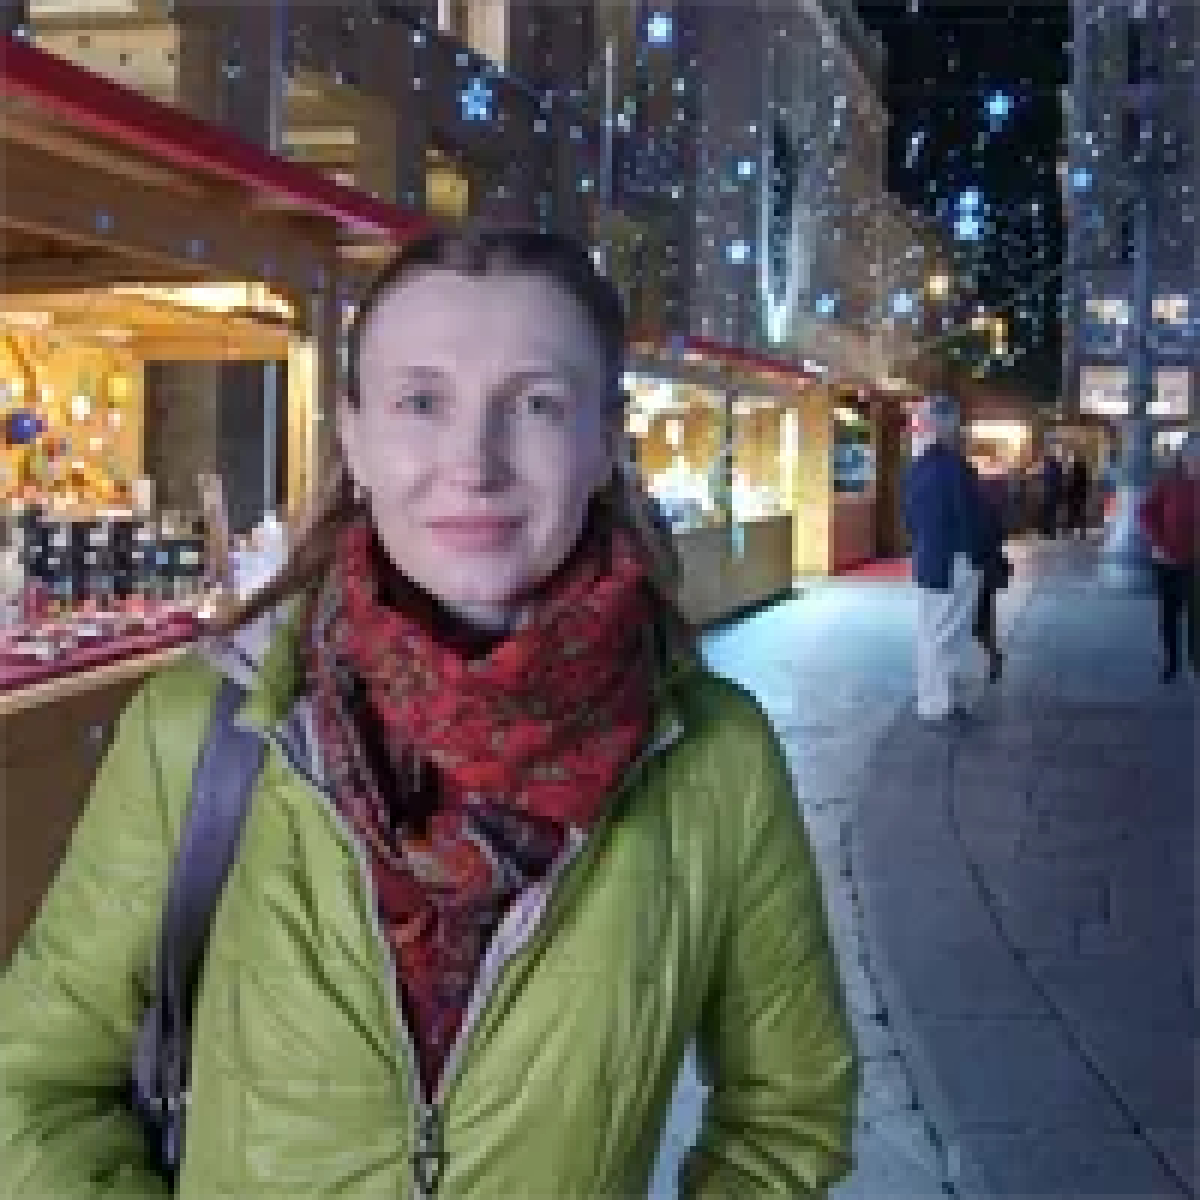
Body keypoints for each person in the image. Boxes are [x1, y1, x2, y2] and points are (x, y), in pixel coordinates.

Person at [0, 227, 857, 1198]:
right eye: (421, 401)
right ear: (356, 437)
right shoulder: (204, 728)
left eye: (535, 404)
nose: (474, 462)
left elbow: (789, 1113)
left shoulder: (713, 757)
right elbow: (35, 1083)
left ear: (603, 443)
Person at [905, 394, 988, 724]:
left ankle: (930, 699)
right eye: (956, 422)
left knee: (929, 633)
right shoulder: (956, 467)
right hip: (955, 561)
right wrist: (979, 556)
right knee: (948, 635)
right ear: (947, 425)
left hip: (926, 559)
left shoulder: (915, 468)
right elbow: (970, 518)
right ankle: (940, 704)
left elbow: (910, 519)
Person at [1139, 432, 1199, 682]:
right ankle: (1172, 661)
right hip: (1167, 561)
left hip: (1195, 563)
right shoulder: (1169, 481)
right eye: (1192, 453)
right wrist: (1159, 542)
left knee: (1195, 615)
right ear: (1183, 456)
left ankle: (1195, 662)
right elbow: (1146, 512)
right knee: (1169, 614)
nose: (1196, 459)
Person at [968, 461, 1011, 683]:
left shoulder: (975, 506)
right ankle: (994, 656)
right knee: (982, 620)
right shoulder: (989, 504)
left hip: (978, 570)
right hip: (985, 570)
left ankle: (994, 656)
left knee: (978, 621)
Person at [1065, 451, 1091, 539]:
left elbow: (1071, 482)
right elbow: (1086, 482)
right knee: (1080, 512)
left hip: (1075, 494)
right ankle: (1081, 531)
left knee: (1074, 512)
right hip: (1081, 494)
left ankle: (1072, 529)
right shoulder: (1083, 469)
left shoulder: (1073, 469)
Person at [1039, 450, 1064, 538]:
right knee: (1052, 512)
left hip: (1049, 492)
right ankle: (1050, 530)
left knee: (1048, 511)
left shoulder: (1047, 467)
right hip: (1053, 492)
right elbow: (1060, 480)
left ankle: (1047, 529)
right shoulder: (1057, 467)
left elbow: (1043, 479)